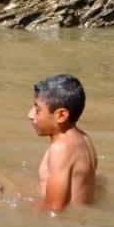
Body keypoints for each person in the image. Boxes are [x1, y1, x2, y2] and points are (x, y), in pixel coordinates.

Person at [28, 74, 97, 211]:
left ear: (61, 115)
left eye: (37, 110)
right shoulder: (84, 139)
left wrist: (2, 197)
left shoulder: (60, 149)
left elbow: (53, 210)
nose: (30, 115)